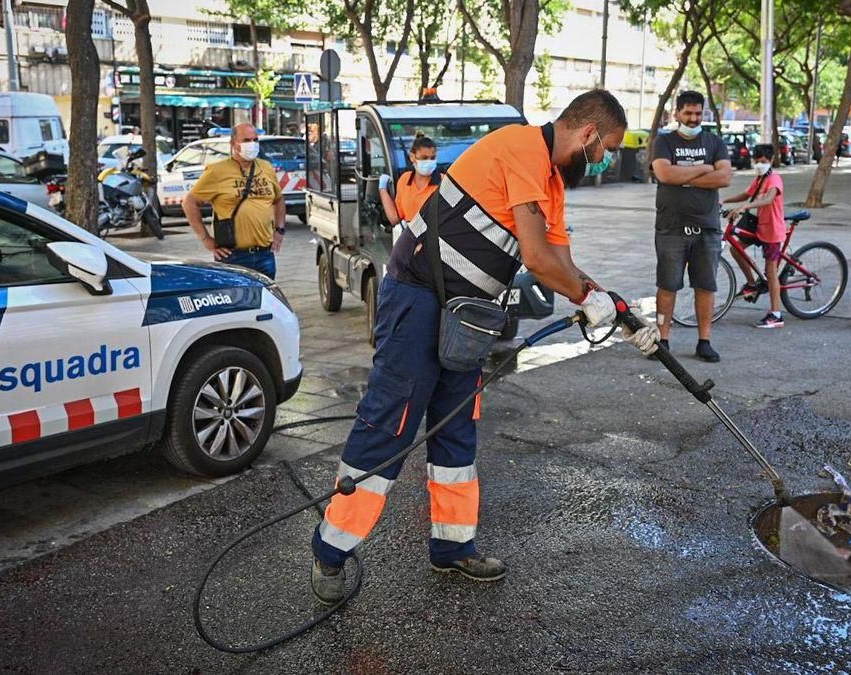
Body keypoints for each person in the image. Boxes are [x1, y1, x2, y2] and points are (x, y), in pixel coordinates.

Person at [309, 89, 658, 605]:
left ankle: (453, 546)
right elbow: (538, 258)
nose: (605, 158)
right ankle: (331, 551)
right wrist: (587, 297)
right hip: (417, 298)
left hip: (464, 314)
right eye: (604, 147)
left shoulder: (552, 184)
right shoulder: (520, 148)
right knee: (392, 421)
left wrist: (618, 308)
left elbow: (561, 263)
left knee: (456, 426)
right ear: (587, 134)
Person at [651, 90, 733, 362]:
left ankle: (704, 341)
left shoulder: (715, 142)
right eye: (688, 113)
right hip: (671, 226)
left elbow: (724, 177)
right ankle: (662, 339)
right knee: (667, 285)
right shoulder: (664, 142)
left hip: (707, 227)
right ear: (677, 113)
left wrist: (682, 177)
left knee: (706, 285)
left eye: (698, 113)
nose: (693, 118)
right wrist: (704, 169)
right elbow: (664, 173)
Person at [182, 123, 286, 277]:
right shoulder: (217, 171)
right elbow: (189, 202)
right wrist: (205, 238)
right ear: (233, 143)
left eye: (255, 140)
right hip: (233, 256)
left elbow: (278, 200)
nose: (252, 144)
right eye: (246, 140)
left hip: (265, 254)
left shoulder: (266, 167)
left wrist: (279, 230)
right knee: (238, 300)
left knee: (265, 299)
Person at [724, 144, 786, 329]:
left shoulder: (774, 179)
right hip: (758, 227)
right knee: (736, 248)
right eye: (757, 161)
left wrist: (744, 207)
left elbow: (768, 199)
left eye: (764, 162)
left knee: (771, 271)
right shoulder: (760, 178)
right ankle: (752, 283)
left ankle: (776, 314)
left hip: (772, 230)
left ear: (771, 161)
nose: (760, 164)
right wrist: (724, 200)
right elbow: (747, 194)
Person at [377, 133, 439, 243]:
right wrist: (383, 190)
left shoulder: (443, 183)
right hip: (410, 243)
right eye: (424, 158)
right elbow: (394, 218)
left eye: (432, 158)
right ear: (412, 157)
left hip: (433, 243)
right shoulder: (405, 180)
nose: (429, 162)